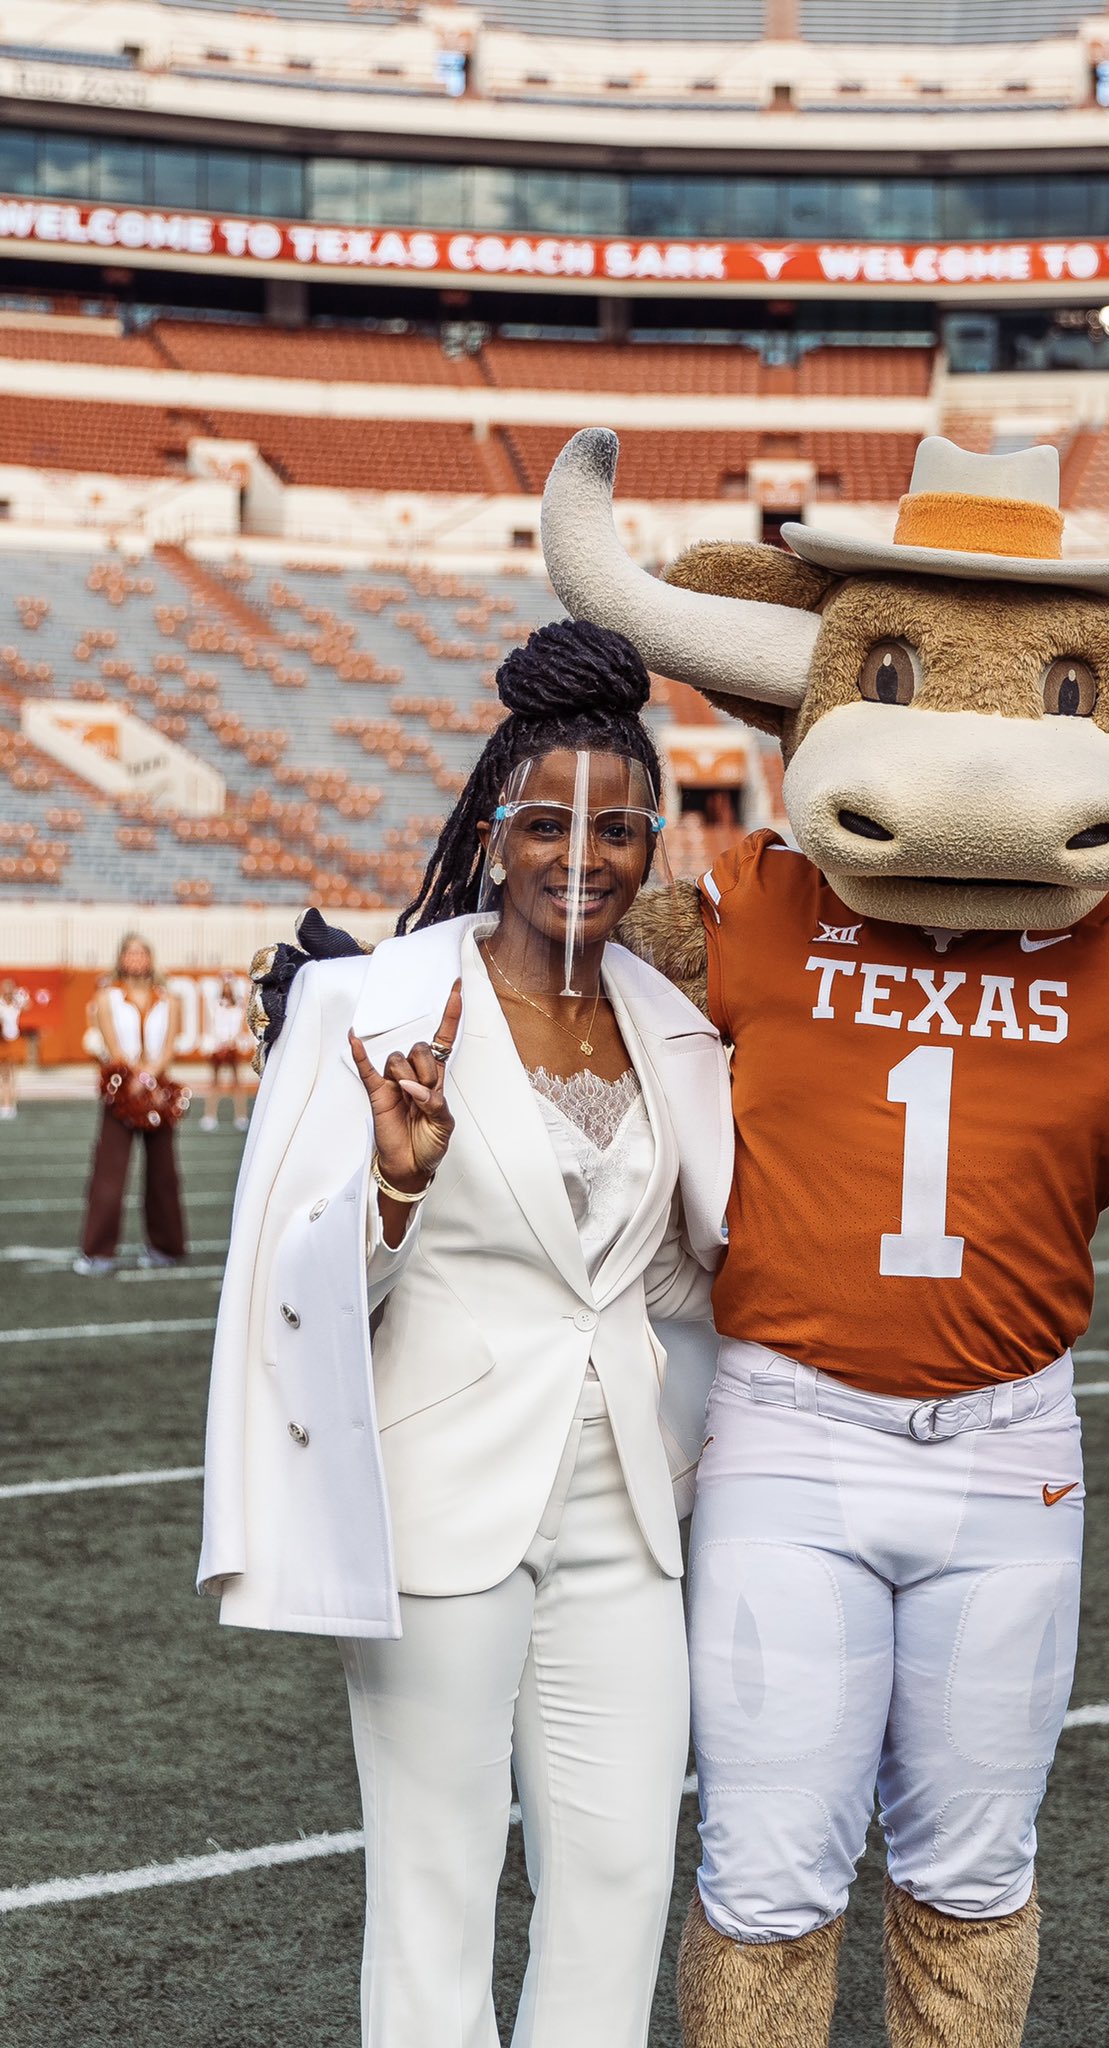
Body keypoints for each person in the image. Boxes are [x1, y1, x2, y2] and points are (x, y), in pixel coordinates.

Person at [199, 621, 734, 2048]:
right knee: (436, 1883)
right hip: (438, 1502)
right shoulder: (368, 1007)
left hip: (625, 1505)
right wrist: (394, 1182)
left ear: (652, 843)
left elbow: (676, 1279)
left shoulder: (675, 1025)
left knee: (619, 1872)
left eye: (619, 827)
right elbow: (295, 1294)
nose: (584, 853)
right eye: (546, 821)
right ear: (491, 828)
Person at [75, 933, 188, 1275]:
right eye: (131, 953)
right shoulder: (107, 996)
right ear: (121, 958)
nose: (137, 958)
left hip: (157, 1092)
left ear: (150, 959)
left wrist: (151, 1077)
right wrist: (134, 1077)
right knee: (109, 1173)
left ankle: (167, 1247)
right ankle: (98, 1252)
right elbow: (111, 1043)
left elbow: (170, 1046)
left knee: (164, 1174)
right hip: (121, 1090)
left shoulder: (170, 1000)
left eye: (142, 953)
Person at [200, 975, 252, 1131]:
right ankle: (210, 1115)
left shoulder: (239, 1008)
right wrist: (218, 1043)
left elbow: (241, 1027)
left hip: (233, 1046)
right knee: (214, 1082)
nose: (227, 990)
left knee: (237, 1082)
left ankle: (241, 1115)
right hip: (218, 1046)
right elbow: (212, 1026)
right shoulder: (216, 1006)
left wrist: (233, 1041)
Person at [0, 974, 26, 1119]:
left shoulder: (17, 1004)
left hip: (13, 1040)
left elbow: (28, 1006)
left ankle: (11, 1103)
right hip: (2, 1041)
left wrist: (17, 996)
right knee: (4, 1075)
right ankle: (4, 1103)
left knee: (12, 1074)